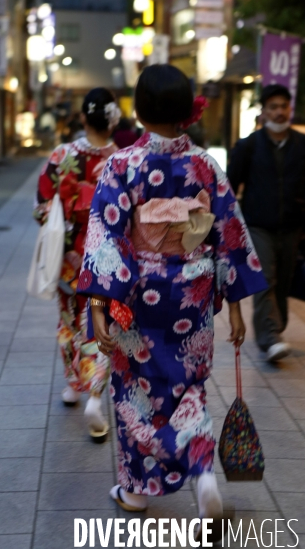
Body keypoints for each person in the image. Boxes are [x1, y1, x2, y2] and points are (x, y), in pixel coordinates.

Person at [77, 65, 266, 540]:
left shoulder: (123, 165)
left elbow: (106, 234)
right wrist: (237, 306)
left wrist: (100, 304)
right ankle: (203, 474)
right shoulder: (205, 165)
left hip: (138, 294)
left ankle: (137, 492)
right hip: (194, 296)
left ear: (138, 110)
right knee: (189, 386)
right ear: (187, 110)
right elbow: (229, 234)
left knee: (135, 392)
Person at [34, 88, 121, 439]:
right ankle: (96, 395)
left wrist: (55, 215)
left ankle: (73, 385)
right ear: (113, 119)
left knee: (69, 319)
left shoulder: (62, 154)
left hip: (68, 258)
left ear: (83, 117)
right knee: (100, 323)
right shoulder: (122, 159)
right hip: (106, 257)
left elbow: (42, 206)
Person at [228, 84, 305, 363]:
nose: (279, 112)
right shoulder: (248, 146)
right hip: (257, 225)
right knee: (265, 279)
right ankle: (270, 337)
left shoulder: (303, 145)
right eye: (274, 107)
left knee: (283, 285)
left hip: (292, 226)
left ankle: (274, 331)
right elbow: (230, 187)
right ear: (264, 111)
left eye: (284, 106)